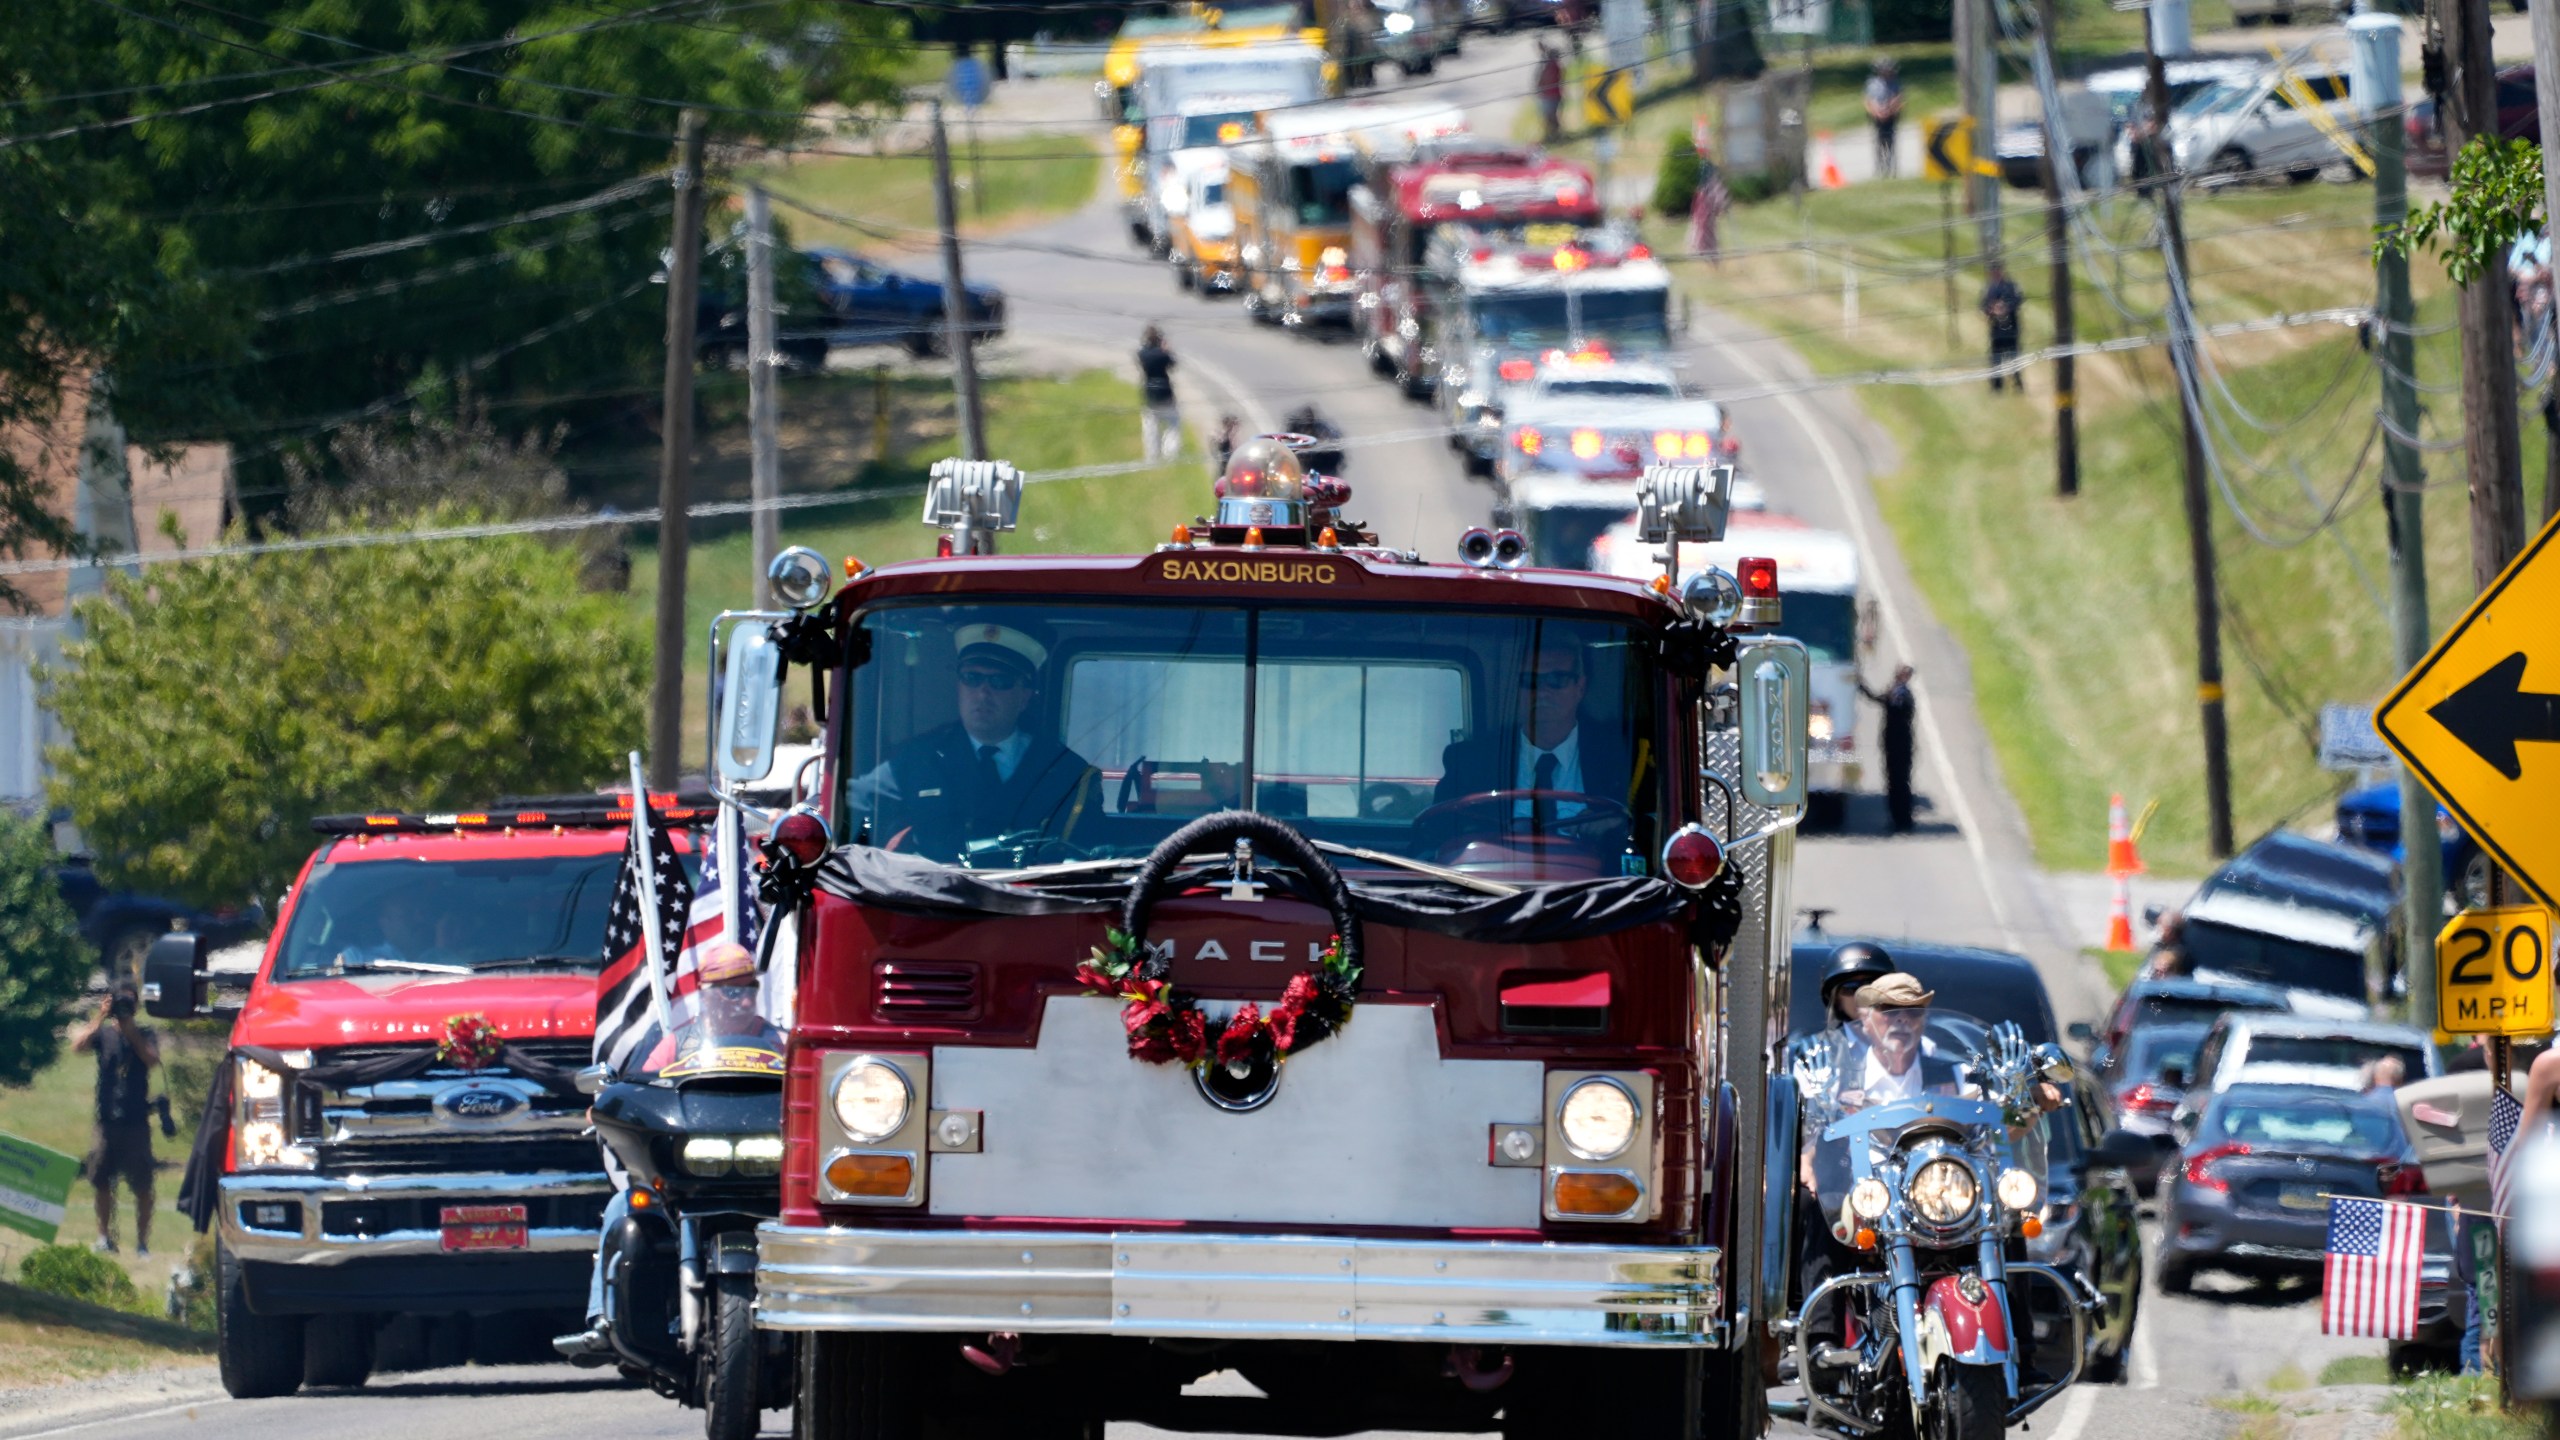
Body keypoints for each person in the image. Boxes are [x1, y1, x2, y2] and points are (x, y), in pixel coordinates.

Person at [559, 942, 782, 1365]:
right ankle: (602, 1320)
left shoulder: (777, 1042)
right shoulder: (676, 1043)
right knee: (622, 1205)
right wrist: (610, 1103)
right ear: (706, 993)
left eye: (749, 988)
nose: (743, 999)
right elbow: (638, 1084)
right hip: (689, 1174)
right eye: (731, 990)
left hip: (759, 1173)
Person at [843, 624, 1102, 860]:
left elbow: (1091, 852)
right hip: (936, 902)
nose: (983, 693)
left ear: (1024, 696)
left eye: (1000, 681)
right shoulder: (917, 759)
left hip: (1035, 905)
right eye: (971, 678)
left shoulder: (1067, 772)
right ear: (959, 686)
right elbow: (851, 802)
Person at [1436, 634, 1632, 830]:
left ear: (1580, 687)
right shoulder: (1469, 761)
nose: (1541, 691)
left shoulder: (1622, 757)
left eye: (1557, 679)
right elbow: (1435, 835)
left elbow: (1652, 830)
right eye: (1530, 681)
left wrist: (1616, 829)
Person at [74, 981, 161, 1256]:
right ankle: (104, 1238)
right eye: (120, 1003)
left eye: (128, 1004)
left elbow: (151, 1060)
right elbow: (78, 1047)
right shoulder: (103, 1035)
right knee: (100, 1180)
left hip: (136, 1121)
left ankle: (142, 1243)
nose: (124, 1009)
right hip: (106, 1120)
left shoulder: (145, 1033)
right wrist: (100, 1016)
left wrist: (131, 1030)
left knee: (143, 1186)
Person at [1857, 663, 1917, 833]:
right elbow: (1877, 698)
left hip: (1901, 748)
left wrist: (1890, 698)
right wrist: (1861, 685)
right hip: (1892, 746)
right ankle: (1896, 817)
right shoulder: (1894, 691)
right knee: (1892, 783)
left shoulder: (1904, 695)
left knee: (1900, 784)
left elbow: (1895, 707)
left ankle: (1904, 819)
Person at [1136, 325, 1180, 461]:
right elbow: (1173, 365)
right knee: (1172, 424)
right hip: (1165, 391)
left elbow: (1141, 359)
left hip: (1150, 392)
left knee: (1150, 426)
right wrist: (1166, 350)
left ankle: (1152, 455)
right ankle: (1170, 453)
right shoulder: (1163, 355)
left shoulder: (1143, 354)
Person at [1981, 262, 2025, 392]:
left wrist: (2006, 307)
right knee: (1996, 359)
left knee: (2014, 358)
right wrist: (1992, 310)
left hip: (2011, 329)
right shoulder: (1989, 288)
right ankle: (1997, 386)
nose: (1996, 274)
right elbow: (1983, 306)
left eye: (1997, 271)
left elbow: (2018, 299)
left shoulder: (2011, 286)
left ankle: (2018, 384)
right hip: (1996, 330)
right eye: (1993, 271)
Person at [1864, 58, 1905, 179]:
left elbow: (1898, 98)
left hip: (1891, 117)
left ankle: (1891, 166)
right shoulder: (1872, 83)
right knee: (1879, 142)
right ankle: (1880, 167)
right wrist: (1877, 111)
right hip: (1877, 117)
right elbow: (1868, 100)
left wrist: (1890, 110)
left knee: (1891, 141)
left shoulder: (1895, 83)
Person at [2144, 909, 2194, 979]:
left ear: (2169, 930)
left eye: (2160, 924)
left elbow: (2166, 962)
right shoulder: (2163, 946)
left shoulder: (2176, 953)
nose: (2157, 928)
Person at [1535, 44, 1565, 143]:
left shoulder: (1554, 66)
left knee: (1551, 116)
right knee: (1548, 117)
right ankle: (1551, 135)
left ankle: (1555, 135)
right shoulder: (1550, 65)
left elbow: (1548, 79)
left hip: (1552, 95)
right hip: (1547, 95)